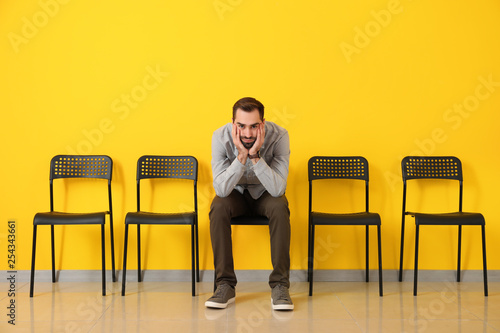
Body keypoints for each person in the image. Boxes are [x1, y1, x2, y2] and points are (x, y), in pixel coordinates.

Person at [205, 97, 293, 311]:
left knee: (280, 206)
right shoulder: (220, 137)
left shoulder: (280, 136)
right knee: (218, 206)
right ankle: (225, 284)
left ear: (262, 123)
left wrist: (254, 155)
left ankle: (280, 285)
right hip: (236, 194)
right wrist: (241, 156)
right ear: (233, 123)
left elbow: (278, 189)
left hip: (266, 194)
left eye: (254, 126)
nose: (247, 133)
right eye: (241, 126)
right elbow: (222, 189)